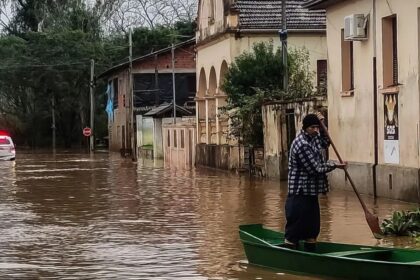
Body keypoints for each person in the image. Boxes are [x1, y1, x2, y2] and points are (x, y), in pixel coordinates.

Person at [283, 112, 346, 251]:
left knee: (312, 227)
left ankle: (311, 249)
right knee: (295, 227)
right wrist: (335, 165)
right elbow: (315, 169)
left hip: (311, 191)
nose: (316, 130)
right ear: (305, 128)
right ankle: (290, 250)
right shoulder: (301, 144)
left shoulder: (315, 137)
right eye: (313, 127)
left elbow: (326, 141)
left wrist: (323, 125)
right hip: (299, 191)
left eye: (317, 127)